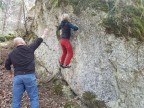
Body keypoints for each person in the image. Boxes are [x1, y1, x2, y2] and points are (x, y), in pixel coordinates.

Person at [5, 28, 48, 108]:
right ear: (21, 42)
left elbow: (7, 65)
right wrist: (44, 33)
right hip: (30, 76)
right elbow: (38, 41)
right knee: (33, 98)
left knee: (16, 100)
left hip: (18, 77)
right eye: (23, 40)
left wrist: (10, 73)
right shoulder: (29, 48)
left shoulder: (12, 53)